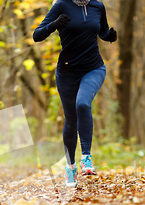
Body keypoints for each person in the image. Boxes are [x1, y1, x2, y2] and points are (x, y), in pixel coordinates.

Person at [33, 0, 117, 188]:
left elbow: (101, 30)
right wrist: (54, 25)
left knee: (83, 104)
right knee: (71, 120)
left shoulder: (97, 6)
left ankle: (86, 157)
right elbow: (36, 35)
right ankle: (70, 167)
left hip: (93, 68)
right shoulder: (61, 5)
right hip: (67, 72)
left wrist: (109, 36)